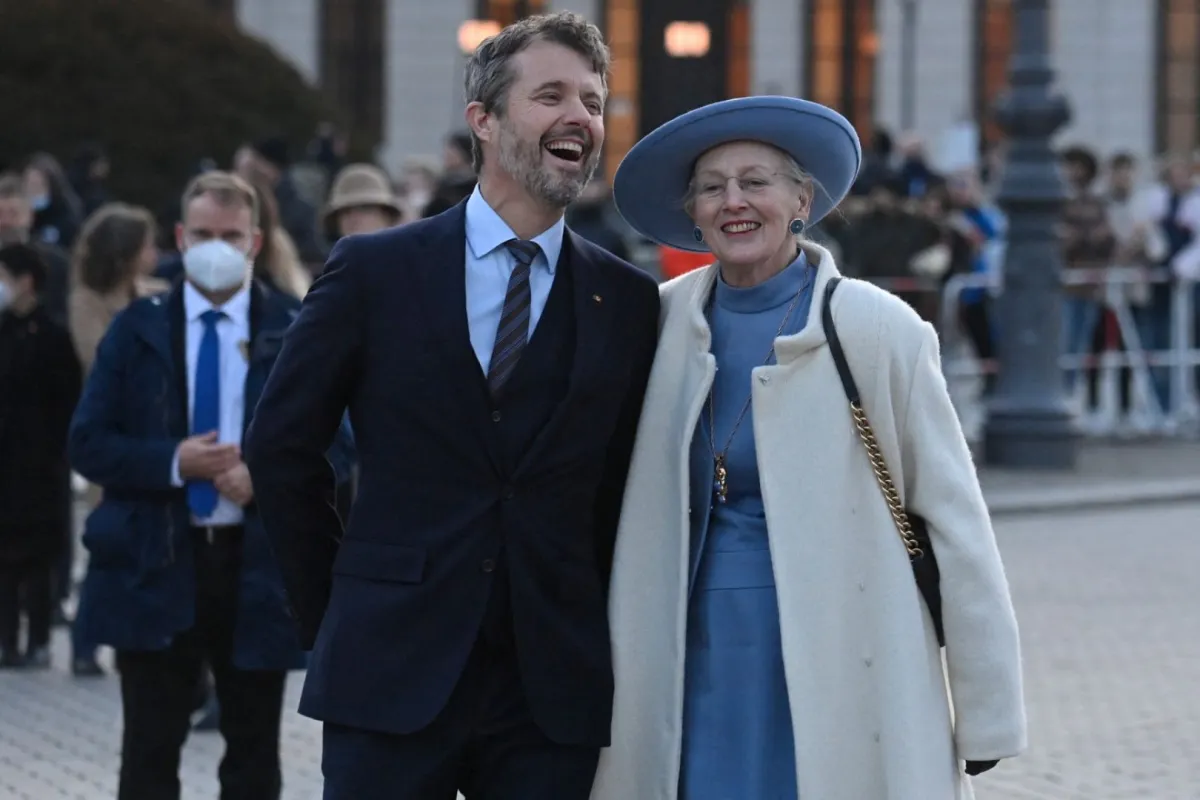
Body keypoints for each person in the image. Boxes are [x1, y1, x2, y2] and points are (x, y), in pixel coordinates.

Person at [244, 12, 660, 799]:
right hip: (389, 672)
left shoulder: (628, 301)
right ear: (485, 121)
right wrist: (336, 614)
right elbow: (281, 447)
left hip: (550, 693)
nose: (581, 117)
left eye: (594, 101)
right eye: (551, 96)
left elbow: (623, 486)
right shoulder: (374, 271)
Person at [590, 96, 1026, 800]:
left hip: (841, 654)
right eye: (712, 186)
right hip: (681, 654)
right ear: (692, 215)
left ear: (801, 199)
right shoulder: (657, 324)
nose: (734, 201)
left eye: (756, 181)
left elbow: (957, 525)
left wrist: (988, 713)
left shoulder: (878, 329)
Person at [68, 171, 351, 799]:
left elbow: (342, 437)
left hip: (254, 567)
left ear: (254, 241)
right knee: (149, 745)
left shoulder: (293, 324)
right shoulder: (138, 328)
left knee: (252, 750)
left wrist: (267, 474)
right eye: (203, 234)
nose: (216, 247)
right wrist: (174, 461)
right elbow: (88, 442)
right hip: (158, 558)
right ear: (179, 237)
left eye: (230, 234)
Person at [67, 202, 168, 677]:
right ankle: (85, 641)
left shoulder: (157, 293)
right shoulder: (87, 299)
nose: (155, 253)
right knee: (107, 539)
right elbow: (96, 357)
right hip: (114, 436)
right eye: (147, 244)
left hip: (155, 437)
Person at [0, 243, 82, 669]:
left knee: (35, 557)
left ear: (26, 281)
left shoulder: (52, 336)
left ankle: (38, 637)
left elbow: (66, 400)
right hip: (4, 462)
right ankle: (6, 638)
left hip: (39, 464)